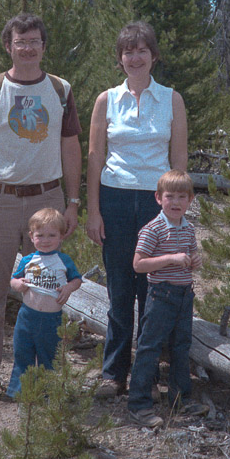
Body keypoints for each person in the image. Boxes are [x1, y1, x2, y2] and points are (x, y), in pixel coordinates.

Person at [0, 13, 83, 413]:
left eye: (34, 41)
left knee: (46, 291)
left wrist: (74, 201)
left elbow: (71, 148)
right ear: (8, 45)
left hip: (47, 200)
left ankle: (41, 382)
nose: (27, 47)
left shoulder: (61, 90)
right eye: (19, 41)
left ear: (45, 46)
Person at [85, 21, 188, 398]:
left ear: (154, 56)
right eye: (128, 52)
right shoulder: (106, 100)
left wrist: (176, 213)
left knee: (154, 289)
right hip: (114, 198)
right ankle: (113, 373)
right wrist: (93, 211)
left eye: (141, 50)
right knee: (119, 288)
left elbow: (179, 161)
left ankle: (147, 372)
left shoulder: (171, 99)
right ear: (120, 59)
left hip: (156, 202)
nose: (135, 57)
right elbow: (95, 158)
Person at [127, 170, 208, 428]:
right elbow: (138, 264)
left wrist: (195, 261)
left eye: (181, 197)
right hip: (161, 295)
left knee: (181, 348)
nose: (175, 202)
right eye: (169, 196)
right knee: (149, 348)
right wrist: (171, 259)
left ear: (190, 200)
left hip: (184, 296)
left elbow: (193, 257)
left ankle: (180, 398)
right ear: (158, 198)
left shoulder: (188, 228)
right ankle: (139, 404)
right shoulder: (153, 229)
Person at [7, 208, 83, 397]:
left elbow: (77, 280)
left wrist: (68, 288)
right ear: (31, 237)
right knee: (23, 354)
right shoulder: (28, 260)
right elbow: (14, 279)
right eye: (40, 235)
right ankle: (20, 393)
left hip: (51, 319)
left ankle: (49, 394)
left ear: (61, 237)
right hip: (27, 316)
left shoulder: (63, 260)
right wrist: (18, 284)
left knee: (49, 357)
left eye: (52, 235)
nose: (46, 240)